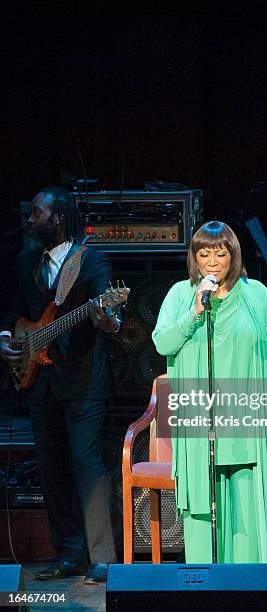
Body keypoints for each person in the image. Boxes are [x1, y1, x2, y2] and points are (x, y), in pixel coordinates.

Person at [152, 221, 267, 564]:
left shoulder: (256, 293)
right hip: (198, 419)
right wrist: (194, 312)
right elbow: (162, 343)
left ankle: (251, 589)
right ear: (195, 258)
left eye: (220, 253)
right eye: (204, 254)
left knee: (248, 511)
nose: (213, 262)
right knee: (203, 516)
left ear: (233, 256)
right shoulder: (180, 295)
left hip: (246, 417)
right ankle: (205, 590)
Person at [0, 186, 119, 584]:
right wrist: (7, 340)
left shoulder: (91, 260)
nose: (30, 220)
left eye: (37, 214)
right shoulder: (26, 260)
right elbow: (17, 312)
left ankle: (102, 556)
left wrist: (107, 317)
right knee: (51, 468)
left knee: (88, 466)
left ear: (59, 218)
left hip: (83, 381)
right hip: (39, 381)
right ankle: (69, 552)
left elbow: (107, 304)